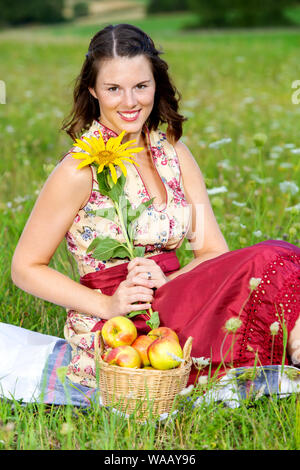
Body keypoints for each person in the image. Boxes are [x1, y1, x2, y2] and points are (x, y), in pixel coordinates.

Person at [10, 24, 300, 390]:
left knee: (277, 262)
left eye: (141, 86)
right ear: (93, 90)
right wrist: (108, 306)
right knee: (273, 254)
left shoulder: (174, 154)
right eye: (114, 88)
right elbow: (25, 268)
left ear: (155, 85)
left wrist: (170, 281)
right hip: (119, 327)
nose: (130, 102)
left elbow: (211, 251)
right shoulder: (79, 170)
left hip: (176, 301)